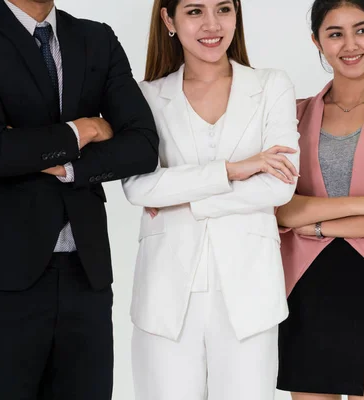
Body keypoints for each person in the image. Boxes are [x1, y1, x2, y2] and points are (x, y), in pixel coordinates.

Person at [0, 0, 159, 398]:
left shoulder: (96, 38)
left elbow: (141, 146)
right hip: (1, 278)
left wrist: (65, 164)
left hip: (85, 276)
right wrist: (85, 128)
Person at [121, 0, 300, 398]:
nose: (212, 24)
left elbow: (279, 185)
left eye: (223, 9)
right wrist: (234, 170)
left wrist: (181, 198)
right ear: (169, 19)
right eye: (194, 11)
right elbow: (136, 185)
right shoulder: (146, 96)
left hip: (249, 295)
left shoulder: (271, 85)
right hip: (165, 297)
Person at [276, 0, 364, 399]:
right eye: (335, 33)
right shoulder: (290, 116)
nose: (350, 44)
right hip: (307, 284)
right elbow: (279, 206)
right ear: (317, 41)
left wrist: (314, 225)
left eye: (362, 30)